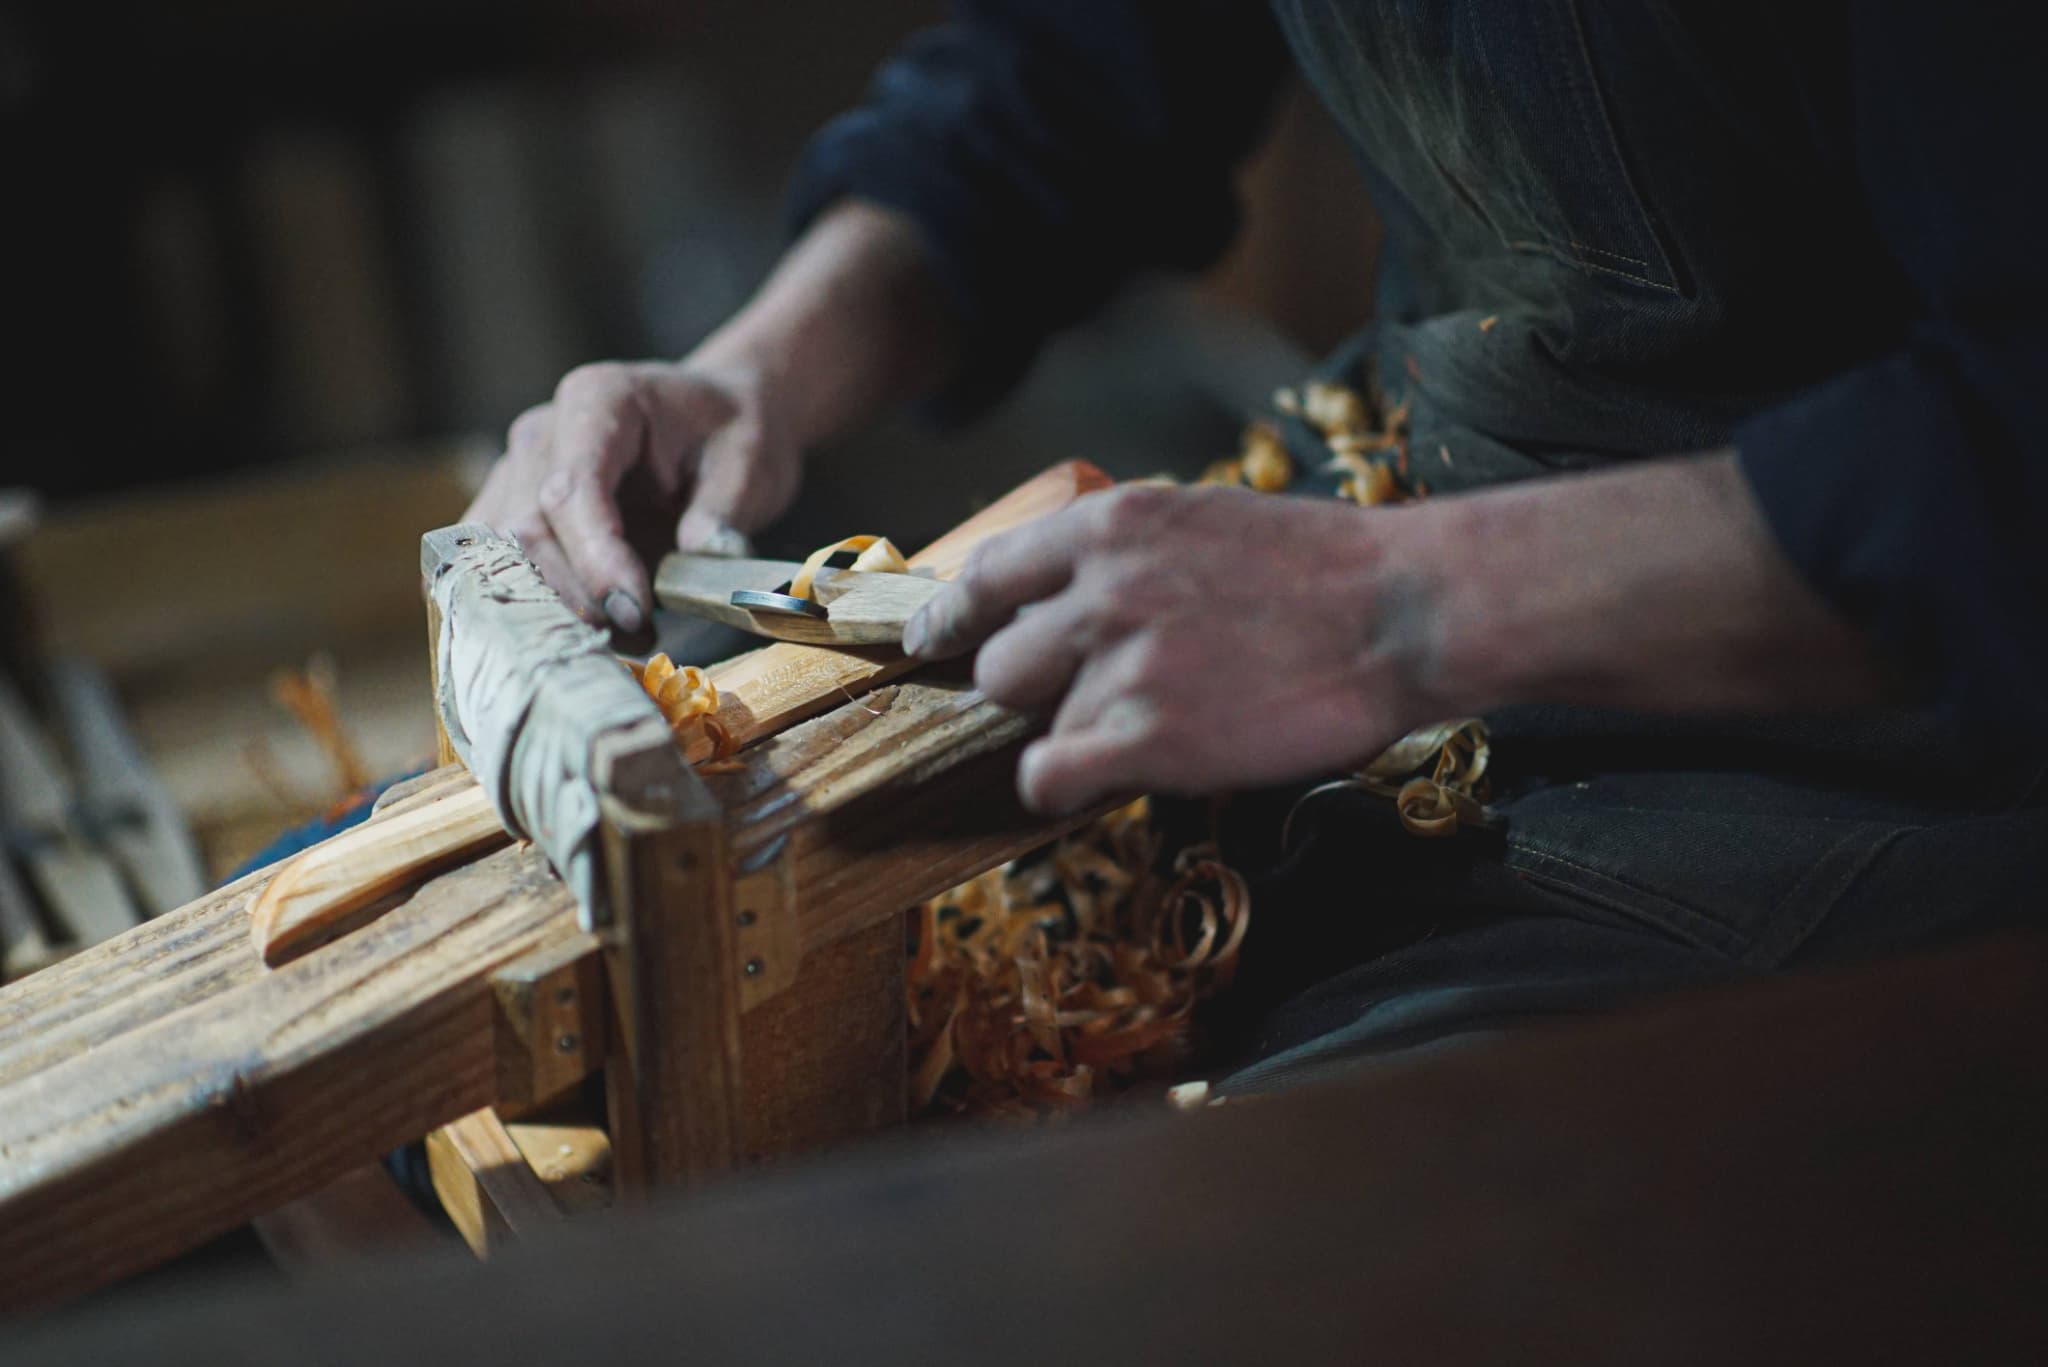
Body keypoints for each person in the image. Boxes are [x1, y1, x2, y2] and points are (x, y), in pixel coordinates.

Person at [468, 3, 2048, 1081]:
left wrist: (1389, 615)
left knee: (1154, 1252)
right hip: (1410, 513)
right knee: (554, 1018)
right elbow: (1080, 68)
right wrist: (757, 372)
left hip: (1864, 734)